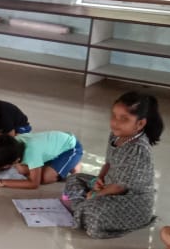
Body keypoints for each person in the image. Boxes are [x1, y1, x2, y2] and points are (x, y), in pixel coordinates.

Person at [63, 91, 163, 238]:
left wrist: (96, 194)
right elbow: (108, 163)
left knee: (94, 212)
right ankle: (82, 207)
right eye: (114, 116)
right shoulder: (116, 135)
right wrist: (99, 179)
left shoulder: (138, 149)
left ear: (140, 124)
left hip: (132, 200)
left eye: (124, 119)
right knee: (74, 179)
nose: (115, 122)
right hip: (109, 186)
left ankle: (81, 207)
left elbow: (120, 186)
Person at [0, 130, 83, 190]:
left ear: (15, 160)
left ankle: (74, 164)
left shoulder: (32, 153)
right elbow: (5, 155)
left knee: (44, 178)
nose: (4, 168)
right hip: (54, 146)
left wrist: (1, 182)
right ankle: (53, 161)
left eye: (4, 166)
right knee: (22, 170)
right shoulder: (13, 143)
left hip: (71, 149)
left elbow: (34, 184)